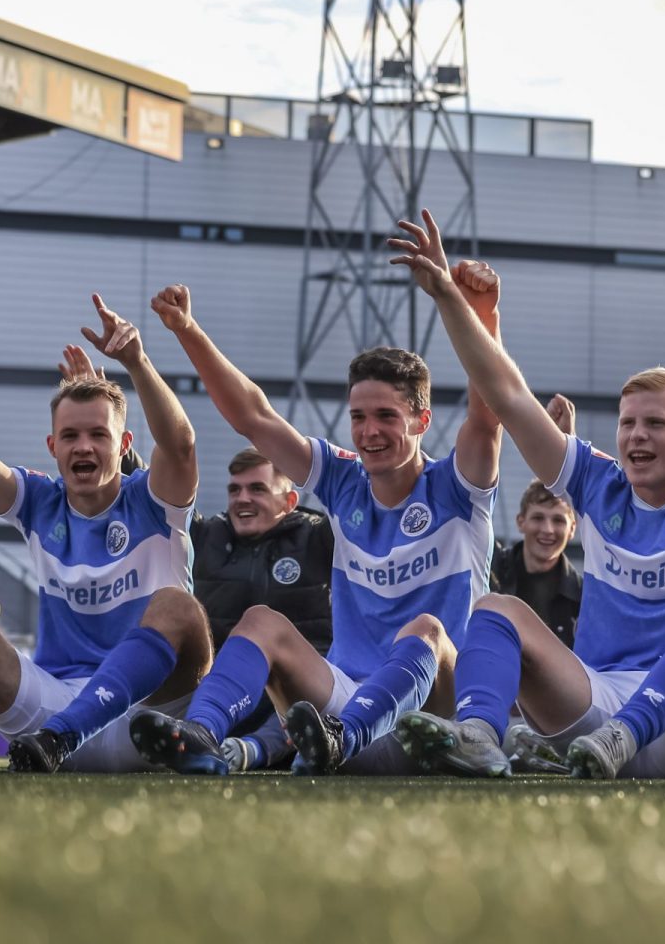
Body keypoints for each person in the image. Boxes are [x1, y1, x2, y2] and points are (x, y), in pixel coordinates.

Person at [388, 195, 665, 779]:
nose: (636, 436)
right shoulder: (599, 485)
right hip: (599, 713)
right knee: (496, 608)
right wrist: (449, 295)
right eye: (627, 423)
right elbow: (509, 395)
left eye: (656, 424)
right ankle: (478, 737)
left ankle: (623, 735)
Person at [126, 269, 503, 776]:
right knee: (261, 621)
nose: (369, 431)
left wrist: (482, 313)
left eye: (386, 416)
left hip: (436, 712)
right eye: (359, 416)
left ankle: (340, 739)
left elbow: (488, 413)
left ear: (422, 420)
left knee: (428, 630)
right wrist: (189, 331)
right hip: (346, 701)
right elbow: (255, 417)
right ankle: (201, 735)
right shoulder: (343, 479)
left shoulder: (458, 487)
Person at [0, 293, 210, 773]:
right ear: (53, 446)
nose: (84, 446)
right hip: (50, 713)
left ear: (125, 444)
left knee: (179, 607)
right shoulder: (40, 501)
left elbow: (180, 444)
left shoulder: (153, 500)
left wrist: (135, 361)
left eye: (99, 435)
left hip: (149, 717)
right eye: (70, 436)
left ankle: (64, 736)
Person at [184, 448, 334, 773]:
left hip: (292, 692)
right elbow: (157, 489)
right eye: (234, 489)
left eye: (257, 489)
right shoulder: (206, 537)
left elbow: (367, 500)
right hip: (224, 692)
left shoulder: (319, 538)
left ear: (290, 501)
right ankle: (197, 735)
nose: (242, 498)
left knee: (301, 697)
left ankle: (252, 750)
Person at [489, 481, 581, 648]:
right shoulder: (489, 571)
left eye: (558, 520)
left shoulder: (584, 597)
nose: (547, 529)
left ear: (572, 529)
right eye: (538, 518)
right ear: (520, 522)